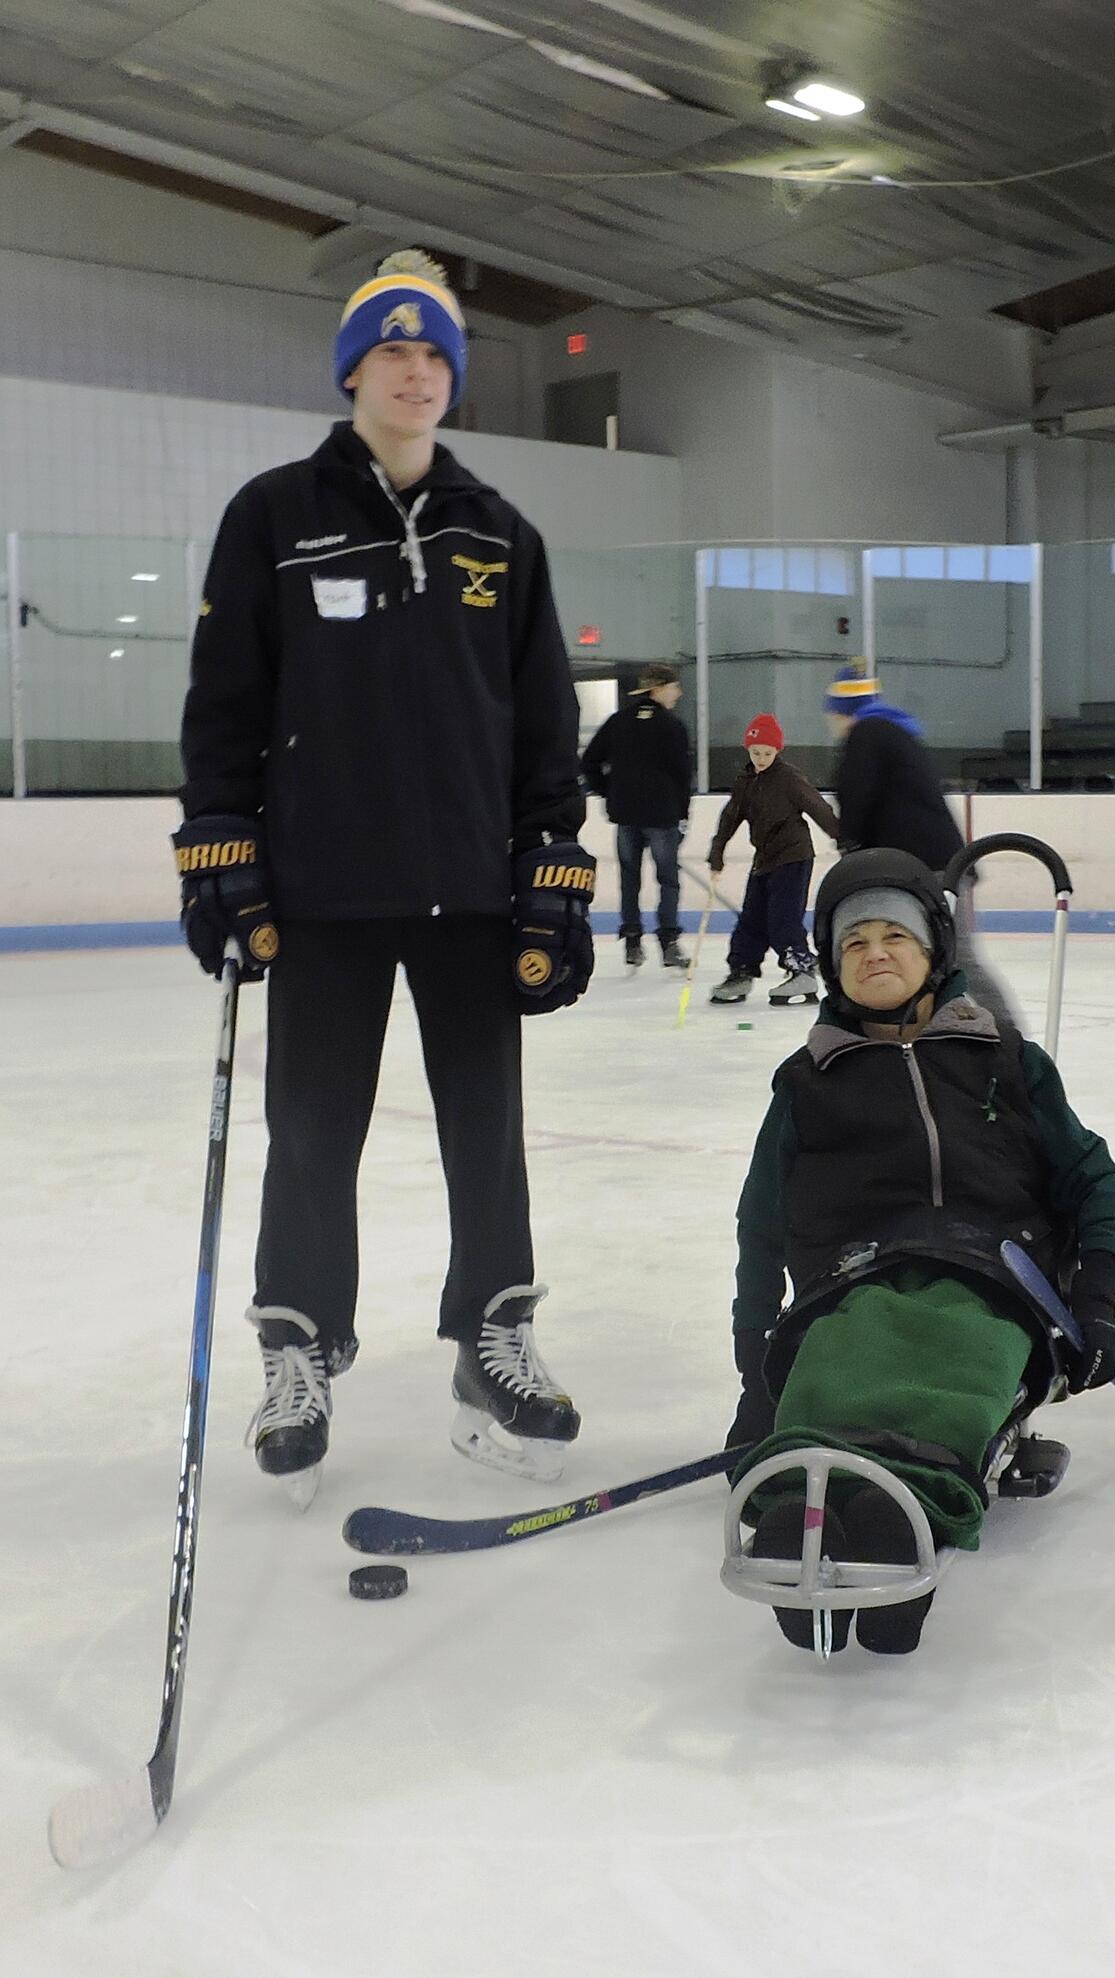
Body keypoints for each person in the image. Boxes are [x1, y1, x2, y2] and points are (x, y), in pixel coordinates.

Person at [175, 249, 596, 1501]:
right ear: (353, 368)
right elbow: (224, 707)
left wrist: (552, 870)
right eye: (392, 349)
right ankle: (297, 1350)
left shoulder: (499, 535)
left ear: (453, 378)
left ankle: (492, 1336)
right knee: (310, 1134)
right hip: (324, 891)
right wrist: (222, 854)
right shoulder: (272, 516)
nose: (414, 371)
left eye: (434, 353)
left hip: (471, 892)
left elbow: (541, 729)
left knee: (487, 1131)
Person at [725, 848, 1115, 1653]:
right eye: (853, 943)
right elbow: (761, 1220)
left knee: (957, 1341)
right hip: (848, 1279)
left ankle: (905, 1512)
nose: (875, 953)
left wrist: (1096, 1301)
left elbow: (1096, 1184)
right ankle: (804, 1501)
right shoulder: (808, 1083)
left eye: (894, 936)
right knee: (845, 1345)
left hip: (990, 1275)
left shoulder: (1006, 1062)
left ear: (934, 952)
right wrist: (753, 1350)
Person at [825, 659, 1020, 1025]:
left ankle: (1011, 1038)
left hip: (929, 868)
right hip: (938, 863)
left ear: (841, 710)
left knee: (955, 957)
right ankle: (936, 1030)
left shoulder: (867, 733)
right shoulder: (895, 732)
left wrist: (851, 847)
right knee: (931, 957)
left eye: (832, 714)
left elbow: (856, 794)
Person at [707, 713, 840, 1007]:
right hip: (764, 859)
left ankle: (801, 970)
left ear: (777, 751)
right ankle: (741, 971)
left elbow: (817, 807)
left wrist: (843, 838)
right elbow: (730, 817)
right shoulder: (746, 781)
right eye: (756, 753)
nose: (761, 758)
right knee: (751, 919)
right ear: (748, 750)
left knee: (783, 918)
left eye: (767, 753)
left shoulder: (788, 777)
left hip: (793, 857)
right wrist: (717, 851)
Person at [580, 662, 692, 969]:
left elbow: (589, 762)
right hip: (663, 817)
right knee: (668, 879)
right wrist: (683, 814)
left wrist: (609, 793)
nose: (678, 693)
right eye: (674, 687)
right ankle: (669, 942)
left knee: (629, 880)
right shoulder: (673, 726)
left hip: (626, 816)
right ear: (657, 689)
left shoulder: (618, 722)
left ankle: (632, 942)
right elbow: (683, 776)